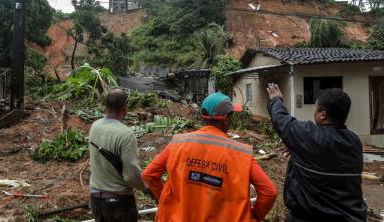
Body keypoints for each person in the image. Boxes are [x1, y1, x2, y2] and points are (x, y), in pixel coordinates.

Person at [142, 92, 277, 222]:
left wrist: (167, 201)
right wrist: (253, 216)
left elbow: (149, 174)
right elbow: (269, 192)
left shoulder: (177, 144)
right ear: (225, 119)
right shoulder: (241, 154)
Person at [266, 84, 367, 222]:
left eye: (316, 108)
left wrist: (276, 99)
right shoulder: (354, 141)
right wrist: (300, 150)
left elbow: (280, 120)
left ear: (322, 115)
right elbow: (327, 157)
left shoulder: (308, 135)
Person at [89, 88, 147, 222]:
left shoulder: (95, 126)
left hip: (96, 200)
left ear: (106, 106)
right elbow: (132, 175)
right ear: (125, 108)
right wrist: (147, 189)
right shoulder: (126, 134)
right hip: (119, 203)